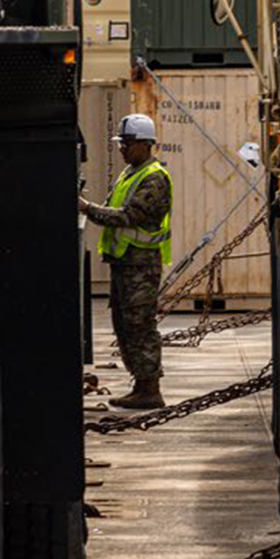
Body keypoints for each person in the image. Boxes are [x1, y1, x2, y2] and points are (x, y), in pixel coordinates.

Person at [79, 113, 173, 409]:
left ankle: (149, 388)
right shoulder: (131, 173)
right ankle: (140, 384)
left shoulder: (154, 177)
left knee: (140, 325)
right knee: (124, 324)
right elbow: (114, 208)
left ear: (146, 144)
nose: (122, 149)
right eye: (121, 143)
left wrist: (85, 207)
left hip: (140, 267)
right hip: (124, 264)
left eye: (128, 143)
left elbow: (128, 216)